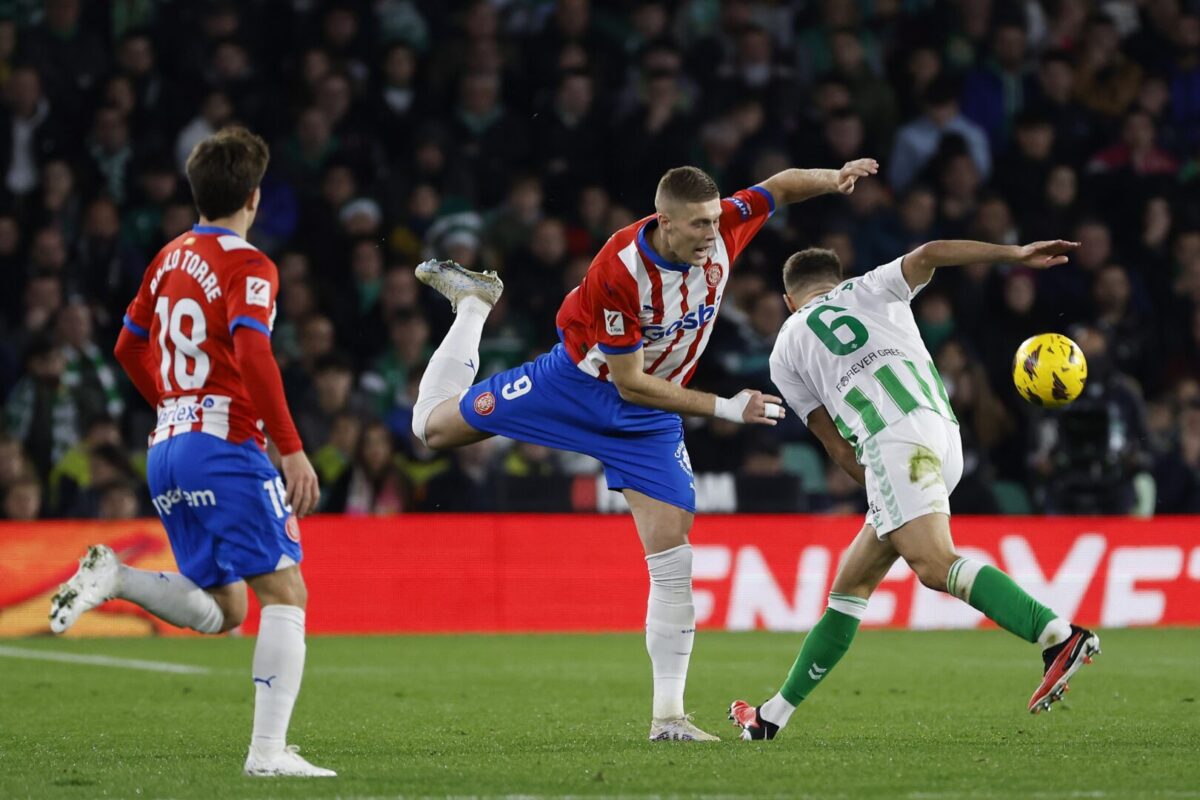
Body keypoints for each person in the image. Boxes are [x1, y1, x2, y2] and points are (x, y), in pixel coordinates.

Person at [412, 159, 878, 742]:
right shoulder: (620, 269)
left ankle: (669, 719)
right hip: (577, 386)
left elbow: (779, 186)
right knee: (431, 429)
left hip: (650, 419)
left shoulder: (727, 224)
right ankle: (476, 305)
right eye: (697, 226)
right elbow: (629, 379)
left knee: (674, 556)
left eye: (714, 221)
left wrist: (833, 179)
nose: (712, 235)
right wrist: (726, 407)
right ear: (664, 221)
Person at [729, 237, 1101, 741]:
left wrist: (883, 482)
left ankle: (1058, 636)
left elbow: (837, 447)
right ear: (836, 280)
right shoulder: (874, 286)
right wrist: (1012, 255)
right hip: (943, 435)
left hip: (891, 441)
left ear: (790, 300)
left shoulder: (786, 348)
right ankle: (771, 717)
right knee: (849, 589)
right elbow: (928, 253)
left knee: (932, 564)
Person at [46, 128, 333, 778]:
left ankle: (117, 578)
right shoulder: (251, 264)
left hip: (167, 447)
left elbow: (128, 345)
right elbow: (254, 351)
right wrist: (290, 449)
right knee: (286, 590)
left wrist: (174, 404)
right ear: (254, 198)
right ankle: (267, 755)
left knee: (226, 607)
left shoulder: (169, 257)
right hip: (221, 443)